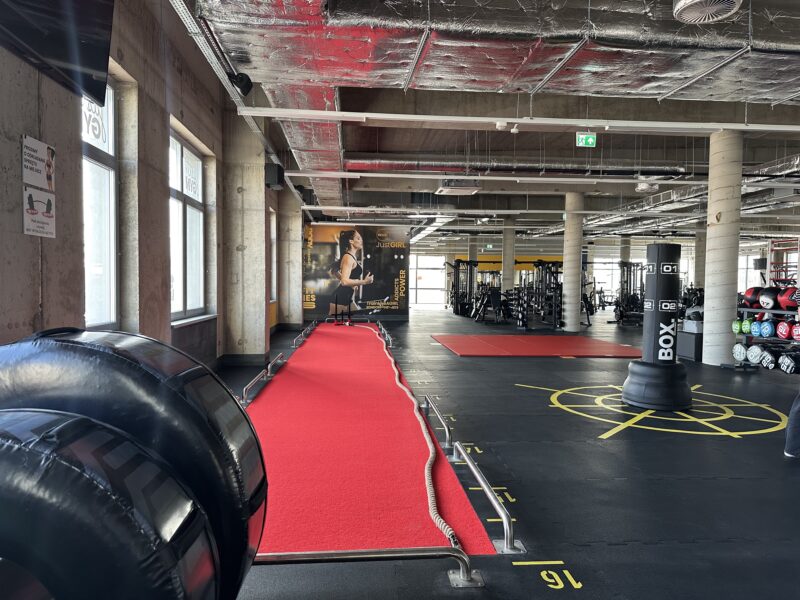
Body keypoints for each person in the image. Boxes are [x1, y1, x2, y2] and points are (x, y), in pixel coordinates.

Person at [328, 230, 374, 316]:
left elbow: (336, 273)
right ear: (351, 241)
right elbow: (344, 282)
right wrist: (364, 282)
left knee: (358, 321)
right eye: (358, 238)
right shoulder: (348, 257)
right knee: (334, 325)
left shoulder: (351, 256)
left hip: (347, 297)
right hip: (341, 297)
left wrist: (352, 284)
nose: (361, 240)